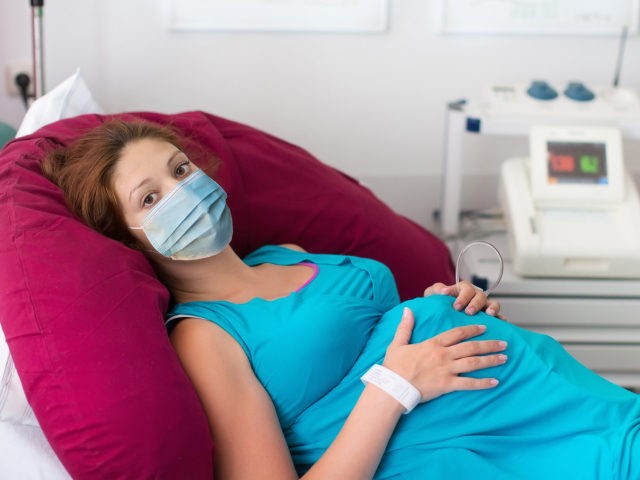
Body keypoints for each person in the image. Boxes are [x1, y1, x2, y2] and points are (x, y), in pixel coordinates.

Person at [42, 119, 639, 480]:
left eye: (180, 168)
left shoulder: (282, 252)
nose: (182, 192)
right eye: (150, 198)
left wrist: (437, 307)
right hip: (501, 453)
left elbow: (377, 333)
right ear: (127, 239)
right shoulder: (202, 336)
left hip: (557, 399)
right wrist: (397, 383)